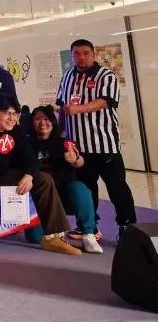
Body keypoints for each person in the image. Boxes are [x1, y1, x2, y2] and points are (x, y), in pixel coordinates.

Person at [0, 95, 81, 255]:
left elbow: (30, 159)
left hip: (5, 179)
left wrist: (29, 175)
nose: (12, 118)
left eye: (15, 114)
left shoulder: (17, 132)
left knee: (43, 179)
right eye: (7, 113)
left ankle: (53, 237)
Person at [55, 39, 136, 239]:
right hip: (79, 148)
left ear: (93, 54)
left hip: (105, 145)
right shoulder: (67, 76)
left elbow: (106, 101)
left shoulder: (106, 75)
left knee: (117, 188)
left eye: (85, 53)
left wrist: (78, 109)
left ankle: (127, 226)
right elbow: (62, 106)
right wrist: (59, 133)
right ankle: (90, 226)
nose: (81, 57)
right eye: (76, 53)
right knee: (85, 189)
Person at [28, 107, 103, 254]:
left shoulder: (64, 142)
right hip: (40, 198)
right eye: (37, 119)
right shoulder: (26, 143)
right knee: (35, 238)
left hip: (64, 194)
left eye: (46, 119)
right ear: (31, 122)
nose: (42, 123)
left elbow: (79, 162)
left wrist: (75, 158)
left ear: (53, 121)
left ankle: (88, 234)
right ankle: (54, 228)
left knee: (79, 187)